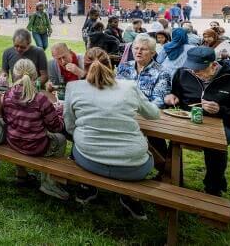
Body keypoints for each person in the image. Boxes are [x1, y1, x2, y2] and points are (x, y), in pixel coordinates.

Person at [65, 51, 160, 218]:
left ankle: (88, 188)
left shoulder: (73, 87)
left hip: (88, 159)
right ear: (112, 66)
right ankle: (130, 196)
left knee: (76, 145)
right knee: (151, 153)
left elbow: (70, 125)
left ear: (84, 67)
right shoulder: (129, 86)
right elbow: (154, 114)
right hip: (134, 167)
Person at [165, 47, 230, 195]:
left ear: (214, 65)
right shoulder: (183, 73)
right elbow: (176, 94)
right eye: (192, 68)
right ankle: (173, 178)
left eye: (200, 69)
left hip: (224, 123)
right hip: (188, 121)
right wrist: (172, 97)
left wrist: (221, 110)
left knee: (215, 145)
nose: (194, 73)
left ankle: (213, 186)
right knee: (172, 139)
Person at [2, 58, 69, 200]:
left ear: (14, 75)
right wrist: (58, 112)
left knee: (24, 130)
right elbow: (56, 127)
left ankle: (21, 172)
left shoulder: (7, 94)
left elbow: (8, 118)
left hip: (13, 141)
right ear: (35, 76)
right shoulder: (40, 99)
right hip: (35, 147)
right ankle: (49, 183)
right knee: (61, 139)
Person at [117, 34, 171, 108]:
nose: (138, 52)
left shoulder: (162, 73)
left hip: (146, 114)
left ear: (152, 53)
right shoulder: (124, 67)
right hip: (122, 109)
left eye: (143, 49)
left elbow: (159, 101)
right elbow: (116, 91)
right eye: (136, 48)